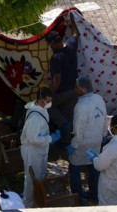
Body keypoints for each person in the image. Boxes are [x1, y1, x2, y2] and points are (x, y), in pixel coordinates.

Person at [67, 75, 107, 203]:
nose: (75, 89)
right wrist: (104, 134)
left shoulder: (81, 106)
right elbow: (105, 117)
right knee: (93, 167)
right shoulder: (99, 98)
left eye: (76, 87)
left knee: (74, 168)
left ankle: (78, 197)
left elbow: (79, 130)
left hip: (82, 143)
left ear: (82, 89)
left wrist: (73, 145)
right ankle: (94, 194)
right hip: (96, 140)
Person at [20, 87, 61, 208]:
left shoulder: (39, 109)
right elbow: (33, 138)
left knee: (39, 176)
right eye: (47, 101)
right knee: (31, 180)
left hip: (38, 150)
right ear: (40, 99)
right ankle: (27, 205)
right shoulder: (34, 117)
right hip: (32, 151)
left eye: (50, 100)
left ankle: (37, 200)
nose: (49, 103)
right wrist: (50, 138)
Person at [84, 115, 117, 205]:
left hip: (111, 185)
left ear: (113, 128)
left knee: (107, 207)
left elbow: (99, 166)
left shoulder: (114, 146)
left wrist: (94, 158)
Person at [46, 14, 79, 143]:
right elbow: (76, 34)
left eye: (49, 44)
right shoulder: (70, 46)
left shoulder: (56, 58)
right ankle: (66, 142)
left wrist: (50, 96)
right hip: (74, 90)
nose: (49, 46)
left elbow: (57, 80)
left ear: (52, 43)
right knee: (68, 116)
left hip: (62, 91)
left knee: (48, 107)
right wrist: (72, 23)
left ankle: (62, 130)